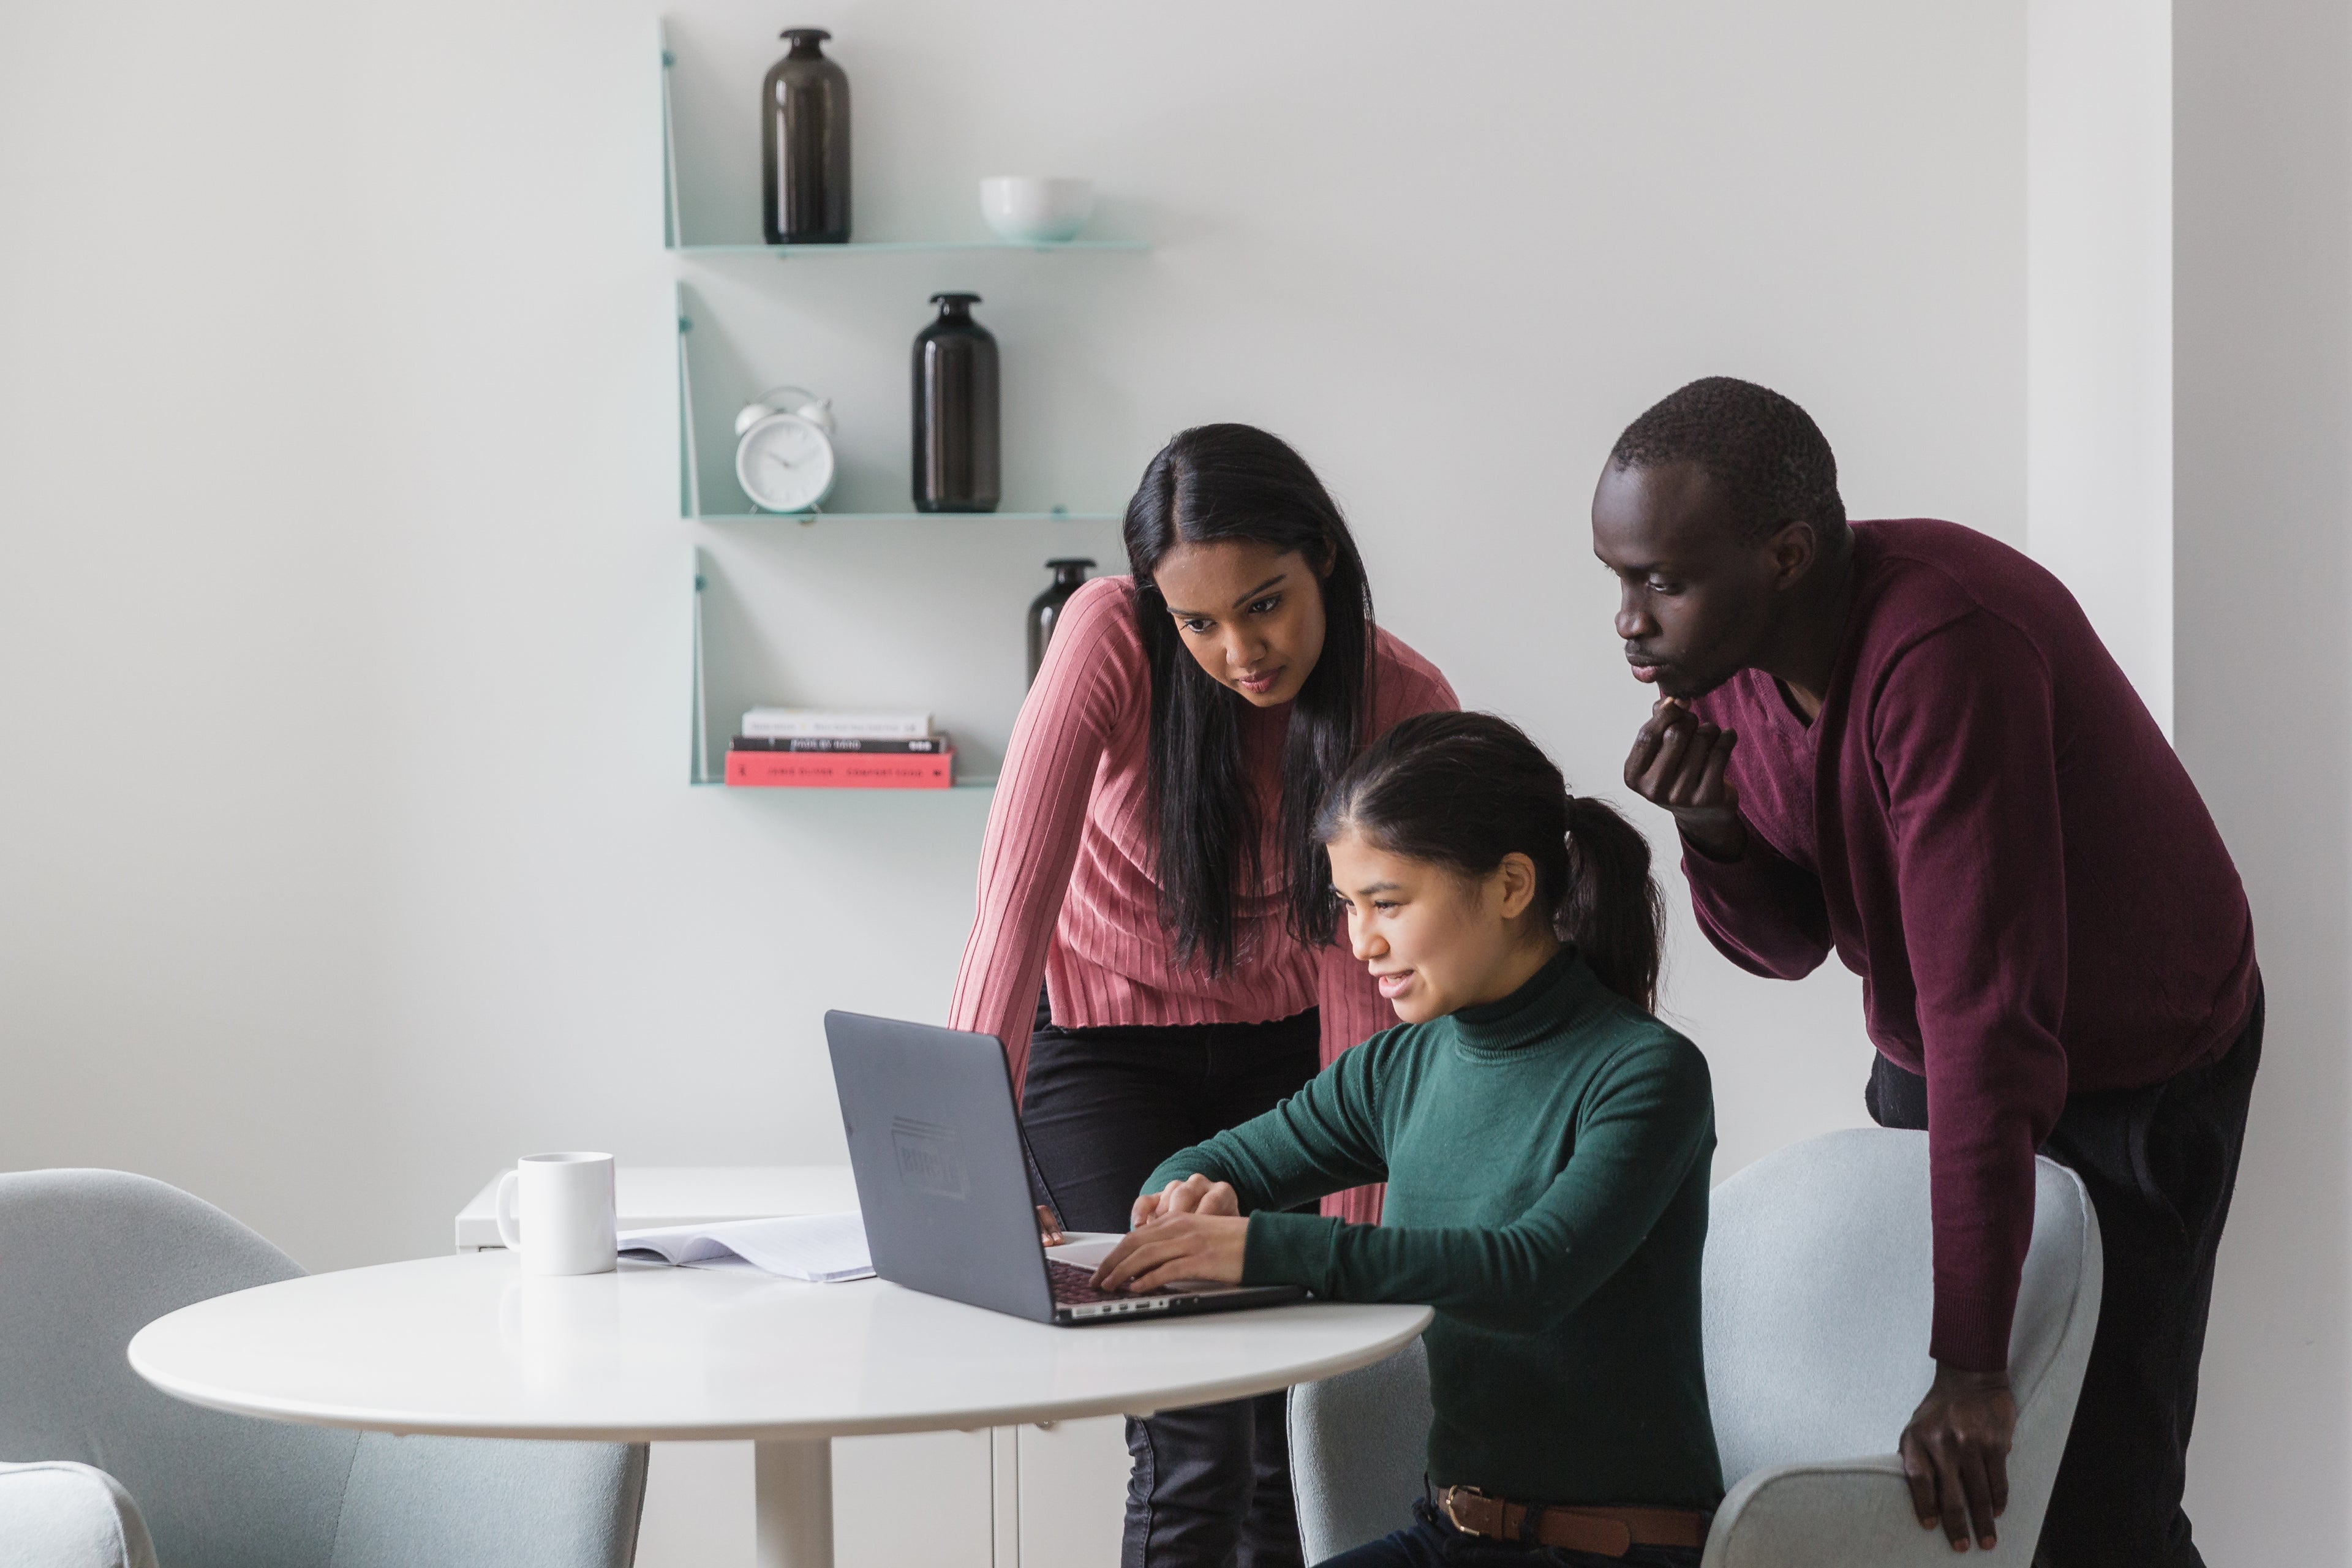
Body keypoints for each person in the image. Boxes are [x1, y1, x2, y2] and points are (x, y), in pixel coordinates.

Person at [1593, 376, 2260, 1565]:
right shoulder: (1734, 661)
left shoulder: (1946, 650)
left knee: (2095, 1497)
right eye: (1620, 578)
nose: (1630, 619)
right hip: (1940, 1044)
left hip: (2131, 1055)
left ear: (1786, 553)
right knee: (1934, 1489)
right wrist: (1716, 832)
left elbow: (1991, 1024)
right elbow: (1796, 945)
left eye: (1663, 581)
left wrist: (1974, 1365)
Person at [951, 423, 1458, 1568]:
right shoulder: (1104, 640)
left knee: (1292, 1417)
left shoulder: (1402, 699)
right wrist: (982, 1165)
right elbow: (1012, 907)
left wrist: (1343, 1286)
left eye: (1267, 603)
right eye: (1201, 622)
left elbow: (1363, 981)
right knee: (1193, 1428)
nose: (1241, 649)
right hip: (1102, 1046)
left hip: (1293, 1060)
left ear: (1322, 555)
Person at [1093, 710, 1722, 1568]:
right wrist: (1182, 1197)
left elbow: (1529, 1275)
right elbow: (1224, 1159)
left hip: (1611, 1550)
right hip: (1449, 1535)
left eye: (1387, 903)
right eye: (1349, 906)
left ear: (1510, 886)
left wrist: (1262, 1248)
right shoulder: (1401, 1066)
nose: (1361, 943)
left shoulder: (1647, 1075)